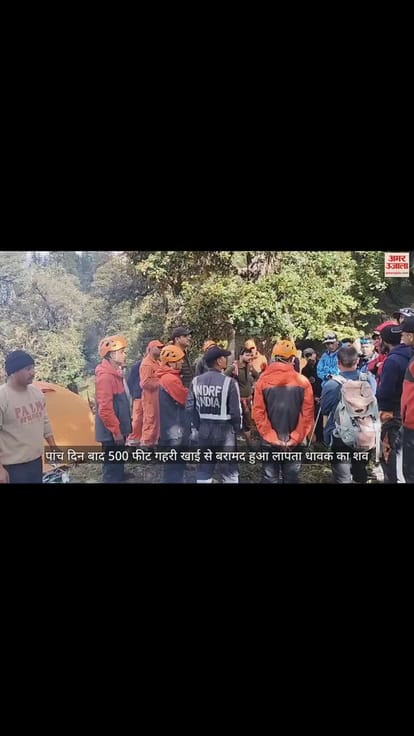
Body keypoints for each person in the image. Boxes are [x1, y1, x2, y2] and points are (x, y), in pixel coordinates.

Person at [253, 340, 314, 484]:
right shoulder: (303, 381)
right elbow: (307, 415)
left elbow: (258, 413)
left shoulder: (262, 381)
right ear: (293, 359)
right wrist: (295, 438)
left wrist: (273, 438)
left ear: (274, 357)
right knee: (291, 478)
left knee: (270, 479)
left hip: (270, 442)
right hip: (295, 442)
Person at [320, 346, 378, 484]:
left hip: (339, 435)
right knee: (360, 471)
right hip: (364, 434)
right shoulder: (369, 381)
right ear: (357, 361)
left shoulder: (332, 385)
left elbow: (325, 410)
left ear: (338, 363)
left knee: (342, 477)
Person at [185, 345, 242, 483]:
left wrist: (198, 426)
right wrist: (237, 429)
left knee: (204, 470)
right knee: (229, 472)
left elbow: (190, 408)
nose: (226, 359)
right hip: (225, 431)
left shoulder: (196, 381)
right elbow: (236, 412)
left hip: (204, 430)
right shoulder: (230, 382)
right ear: (218, 361)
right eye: (224, 357)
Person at [0, 350, 57, 484]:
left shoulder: (36, 393)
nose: (33, 372)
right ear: (14, 371)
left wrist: (53, 446)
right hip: (12, 468)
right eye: (28, 369)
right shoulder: (3, 397)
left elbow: (45, 421)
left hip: (36, 462)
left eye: (33, 368)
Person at [376, 324, 414, 483]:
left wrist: (379, 402)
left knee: (390, 453)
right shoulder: (410, 355)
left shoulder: (392, 361)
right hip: (406, 412)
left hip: (393, 413)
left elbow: (385, 391)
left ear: (384, 341)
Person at [95, 335, 132, 483]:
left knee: (118, 458)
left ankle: (120, 477)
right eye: (122, 352)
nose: (125, 354)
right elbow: (105, 409)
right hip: (110, 432)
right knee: (111, 467)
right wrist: (116, 432)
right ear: (111, 355)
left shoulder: (116, 374)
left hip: (118, 428)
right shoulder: (106, 377)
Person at [157, 345, 190, 483]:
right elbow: (185, 399)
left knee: (174, 464)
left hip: (170, 426)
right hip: (175, 429)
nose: (182, 362)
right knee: (174, 466)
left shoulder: (167, 377)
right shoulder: (170, 379)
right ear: (171, 362)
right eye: (179, 359)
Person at [225, 346, 260, 444]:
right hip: (236, 402)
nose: (250, 357)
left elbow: (257, 376)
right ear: (241, 356)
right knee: (235, 422)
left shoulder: (250, 367)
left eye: (251, 355)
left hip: (247, 401)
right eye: (247, 355)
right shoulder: (233, 367)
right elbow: (223, 378)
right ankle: (234, 444)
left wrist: (253, 385)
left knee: (248, 422)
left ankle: (249, 444)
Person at [139, 339, 164, 448]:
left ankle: (153, 445)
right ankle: (145, 447)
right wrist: (161, 383)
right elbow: (145, 383)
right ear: (151, 349)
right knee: (150, 422)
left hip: (157, 397)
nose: (160, 349)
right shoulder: (147, 364)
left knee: (156, 422)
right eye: (158, 347)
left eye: (161, 347)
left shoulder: (157, 362)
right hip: (150, 398)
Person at [400, 318, 414, 482]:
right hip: (409, 421)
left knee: (410, 472)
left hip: (412, 423)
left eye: (403, 334)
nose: (402, 337)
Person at [301, 347, 323, 442]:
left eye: (311, 354)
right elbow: (305, 386)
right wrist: (314, 397)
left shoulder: (322, 366)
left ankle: (323, 438)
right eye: (307, 356)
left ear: (315, 354)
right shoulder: (305, 370)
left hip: (324, 395)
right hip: (313, 398)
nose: (309, 357)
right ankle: (315, 438)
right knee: (313, 417)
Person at [125, 358, 143, 447]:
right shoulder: (137, 366)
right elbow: (130, 381)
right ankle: (133, 441)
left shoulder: (156, 364)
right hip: (138, 396)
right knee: (137, 420)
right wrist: (134, 393)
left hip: (149, 397)